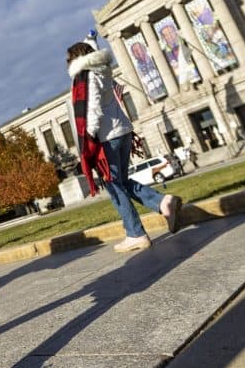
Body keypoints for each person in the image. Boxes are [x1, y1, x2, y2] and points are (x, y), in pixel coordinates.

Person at [67, 41, 183, 252]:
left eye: (68, 59)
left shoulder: (87, 75)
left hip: (106, 137)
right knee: (121, 181)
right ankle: (163, 202)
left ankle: (135, 233)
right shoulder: (102, 69)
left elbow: (92, 108)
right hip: (123, 130)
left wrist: (88, 141)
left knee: (113, 186)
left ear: (76, 58)